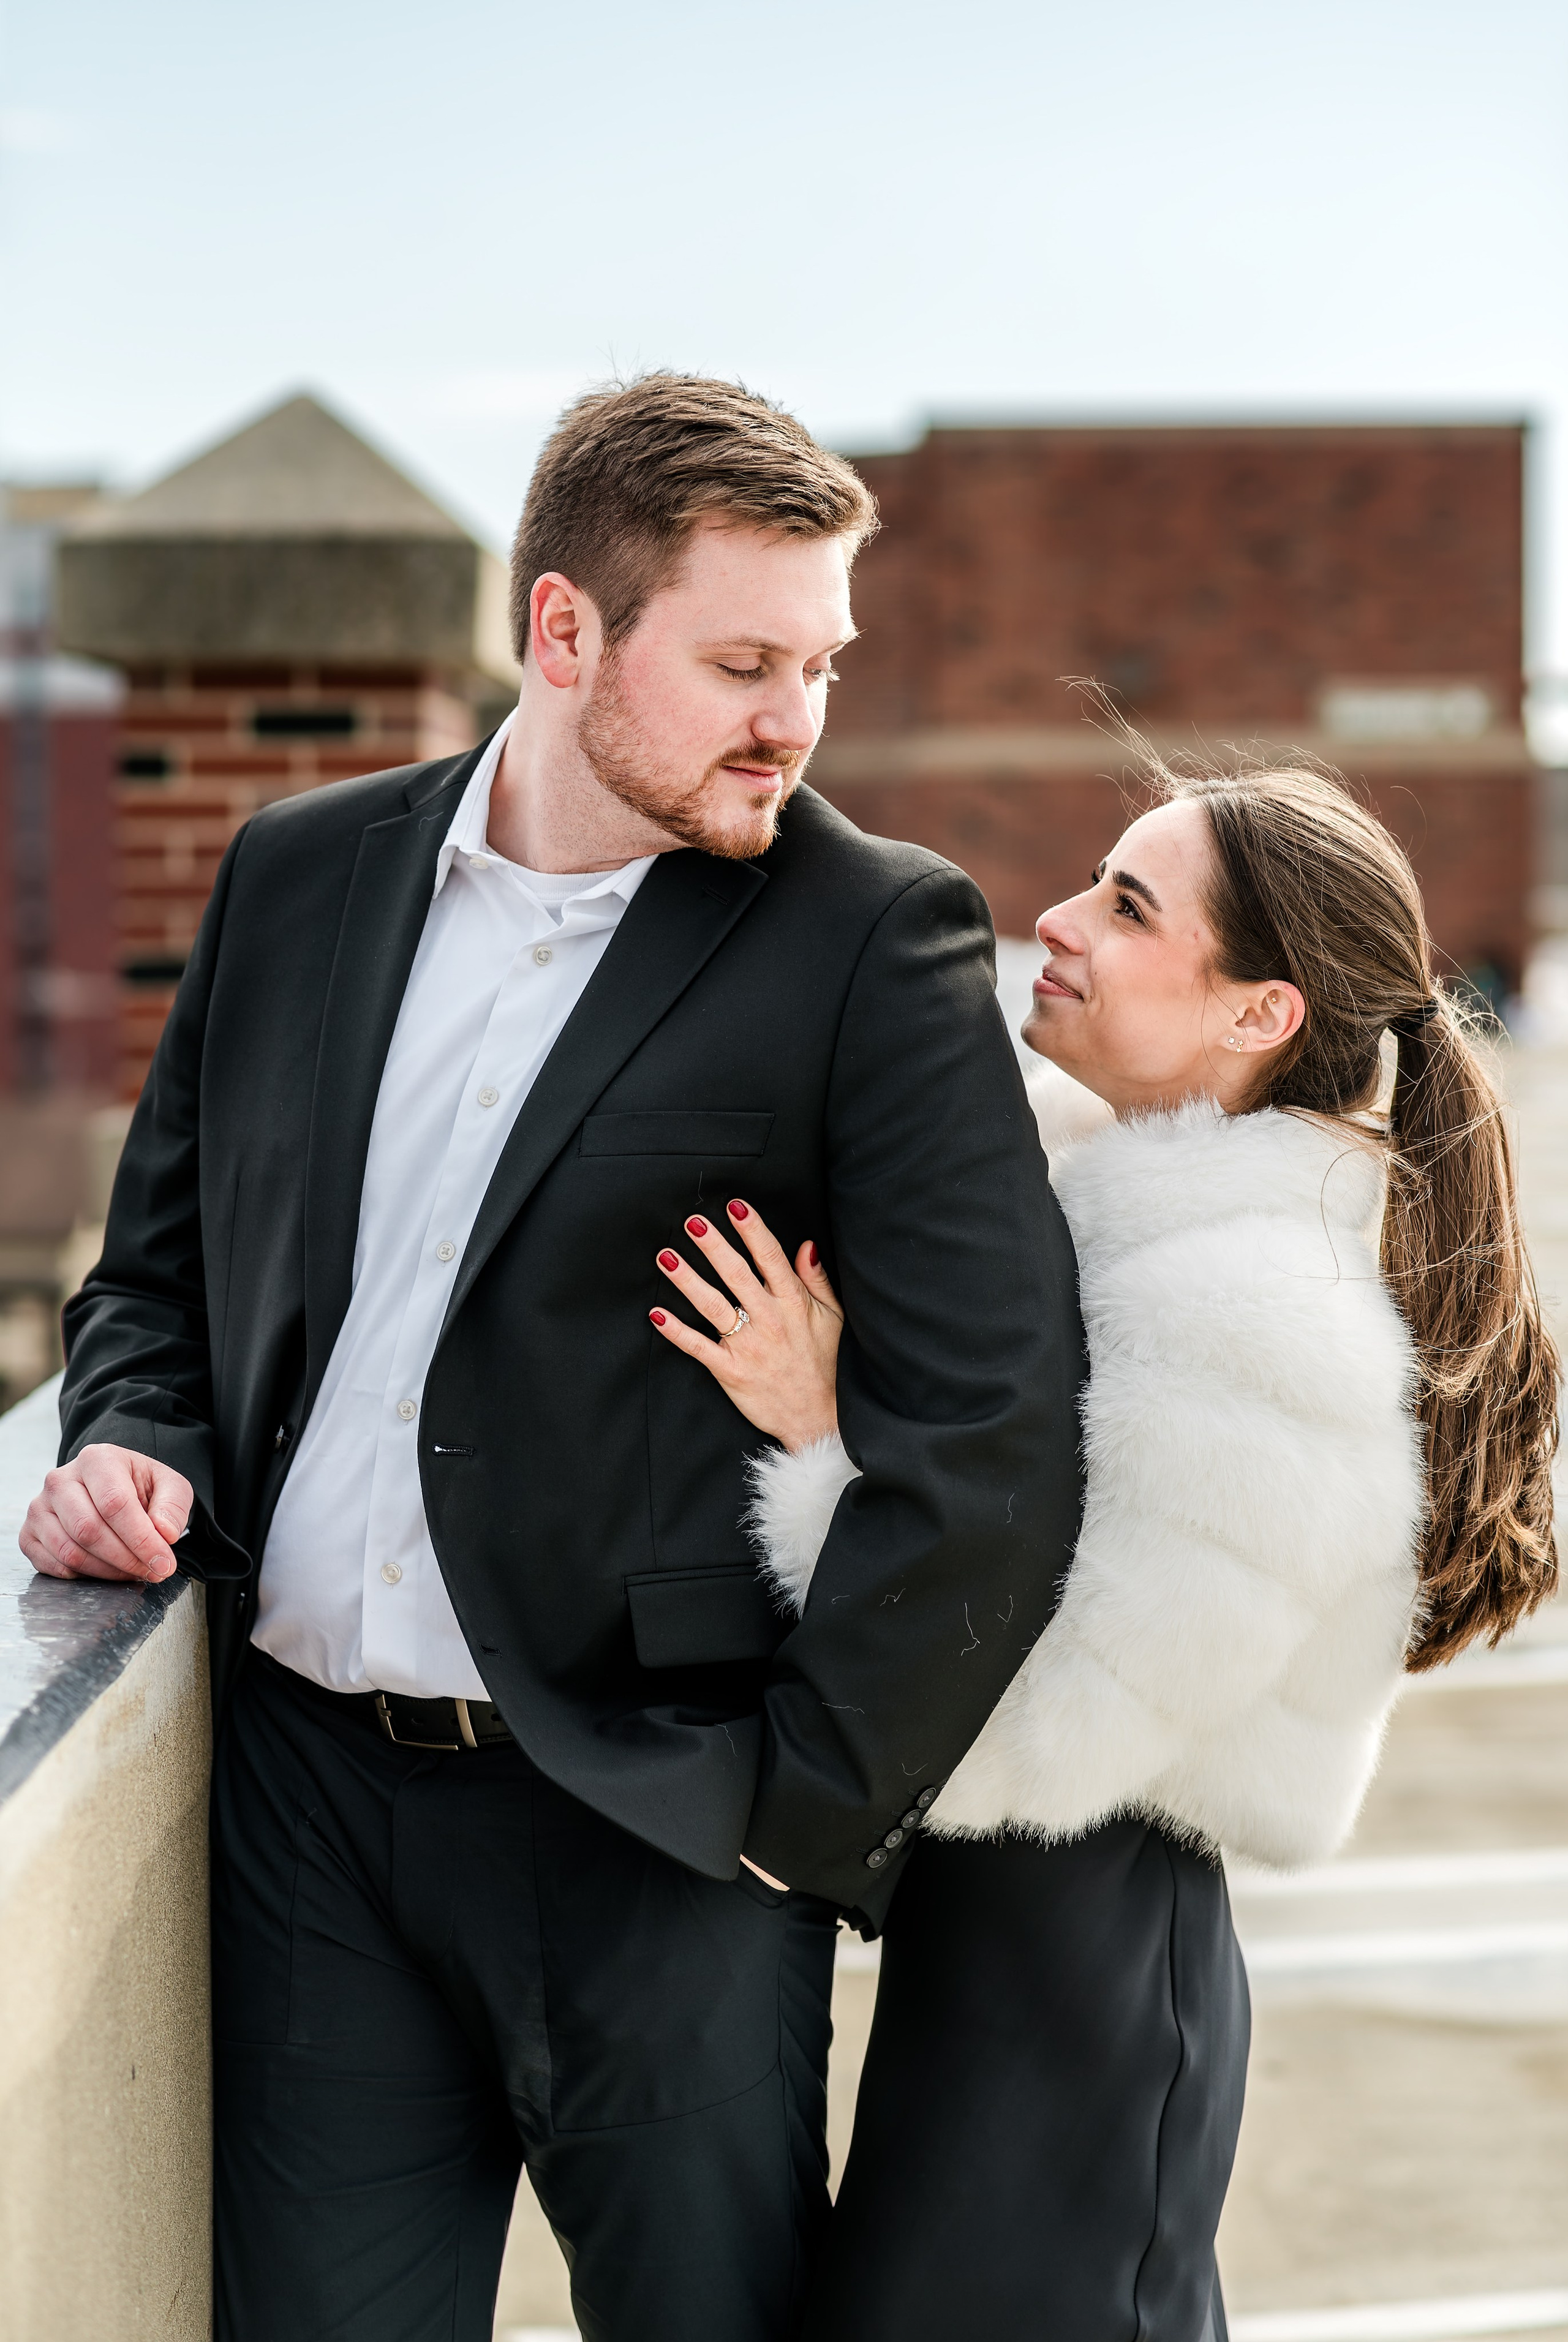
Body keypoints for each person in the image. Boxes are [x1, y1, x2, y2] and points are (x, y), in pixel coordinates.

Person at [19, 376, 1087, 2342]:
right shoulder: (294, 877)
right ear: (565, 631)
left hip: (663, 1841)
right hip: (305, 1826)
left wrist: (795, 1821)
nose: (797, 718)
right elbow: (153, 1280)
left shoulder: (871, 939)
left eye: (824, 665)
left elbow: (995, 1435)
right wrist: (136, 1439)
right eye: (747, 660)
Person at [647, 751, 1561, 2342]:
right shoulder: (1118, 1229)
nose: (1055, 921)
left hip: (1083, 1981)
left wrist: (816, 1446)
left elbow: (1041, 1744)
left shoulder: (1256, 1314)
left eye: (1129, 906)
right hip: (1017, 1971)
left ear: (1257, 1013)